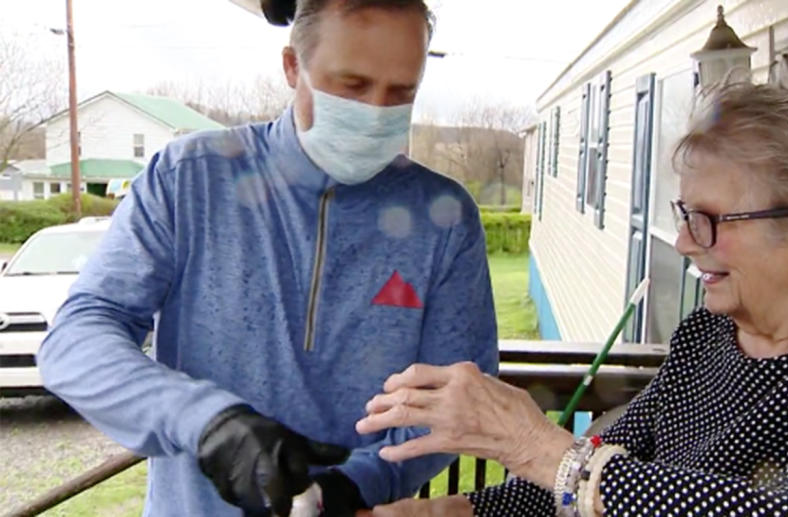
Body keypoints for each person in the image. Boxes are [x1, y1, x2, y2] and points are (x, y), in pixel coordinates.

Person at [355, 83, 788, 516]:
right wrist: (460, 509)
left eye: (709, 219)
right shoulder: (708, 338)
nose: (685, 242)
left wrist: (534, 445)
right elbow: (609, 460)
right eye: (683, 215)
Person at [37, 1, 499, 516]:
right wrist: (206, 421)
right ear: (291, 66)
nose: (374, 112)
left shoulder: (443, 216)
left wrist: (350, 488)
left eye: (400, 94)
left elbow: (455, 401)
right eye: (351, 85)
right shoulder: (190, 178)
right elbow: (77, 337)